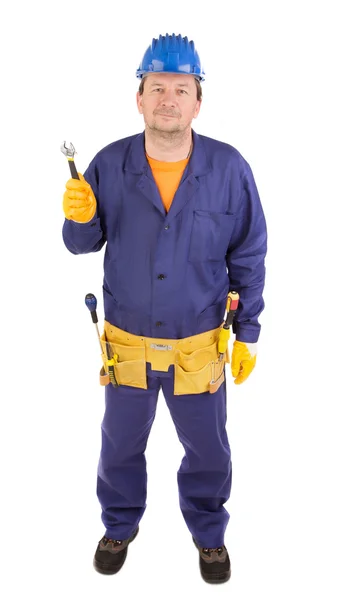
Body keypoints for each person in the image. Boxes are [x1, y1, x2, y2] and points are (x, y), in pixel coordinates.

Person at [62, 33, 267, 584]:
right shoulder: (108, 164)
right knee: (120, 446)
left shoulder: (229, 169)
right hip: (126, 345)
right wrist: (78, 217)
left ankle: (209, 534)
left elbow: (248, 254)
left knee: (208, 450)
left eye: (181, 88)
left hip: (198, 348)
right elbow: (81, 245)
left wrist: (247, 333)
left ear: (199, 100)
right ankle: (119, 524)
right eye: (157, 87)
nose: (168, 99)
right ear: (140, 97)